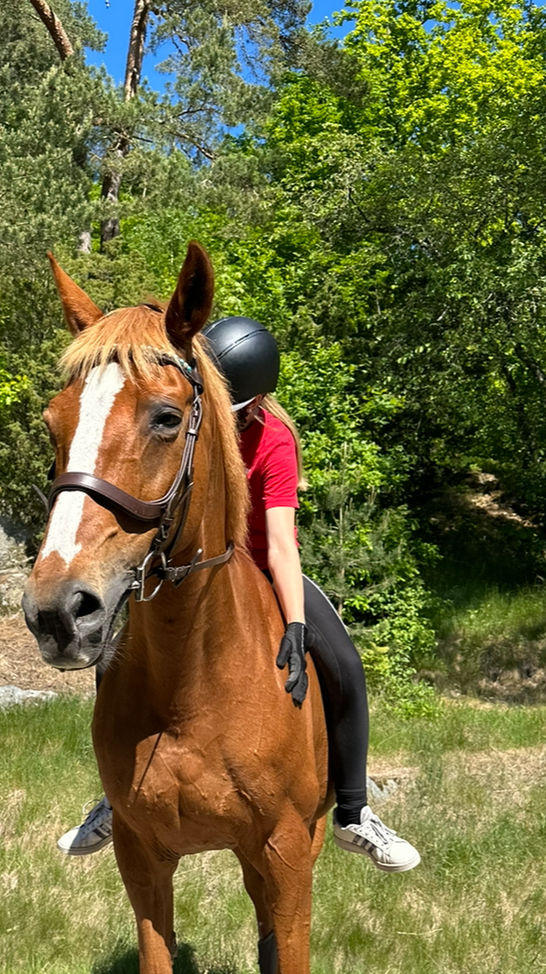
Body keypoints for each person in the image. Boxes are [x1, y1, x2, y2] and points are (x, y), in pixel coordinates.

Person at [57, 316, 420, 874]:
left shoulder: (273, 438)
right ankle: (116, 798)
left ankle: (353, 811)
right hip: (188, 568)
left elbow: (278, 541)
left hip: (262, 565)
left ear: (251, 400)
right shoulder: (192, 420)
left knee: (344, 664)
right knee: (121, 659)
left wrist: (295, 626)